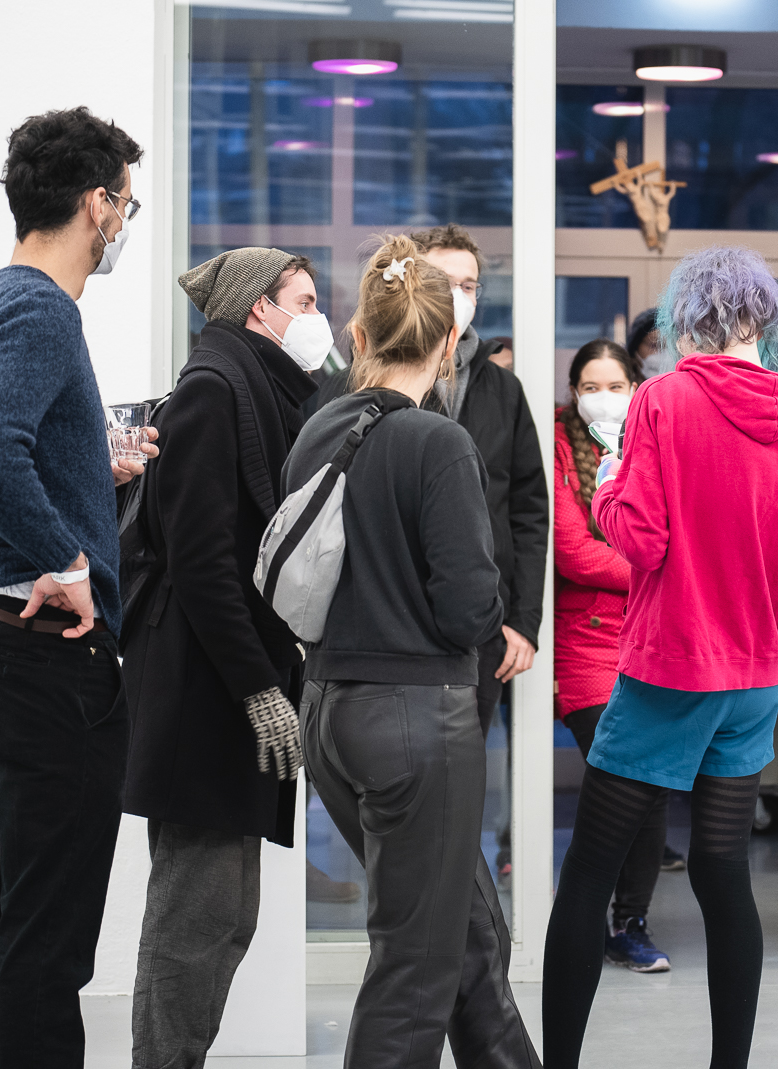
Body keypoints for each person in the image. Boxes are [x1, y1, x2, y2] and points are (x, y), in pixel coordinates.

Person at [543, 245, 778, 1069]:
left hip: (668, 672)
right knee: (721, 869)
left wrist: (609, 483)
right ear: (763, 320)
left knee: (589, 874)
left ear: (689, 319)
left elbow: (640, 539)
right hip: (754, 682)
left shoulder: (664, 401)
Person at [0, 107, 150, 1069]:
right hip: (39, 653)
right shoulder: (45, 311)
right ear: (97, 204)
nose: (124, 222)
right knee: (45, 935)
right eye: (125, 203)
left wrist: (92, 471)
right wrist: (69, 558)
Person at [290, 235, 541, 1069]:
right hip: (415, 719)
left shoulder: (318, 431)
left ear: (360, 335)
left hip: (328, 708)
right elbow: (470, 608)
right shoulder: (439, 441)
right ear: (447, 343)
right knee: (416, 964)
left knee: (465, 934)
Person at [121, 248, 326, 1068]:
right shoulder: (214, 391)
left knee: (227, 913)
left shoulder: (257, 390)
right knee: (196, 916)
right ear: (257, 308)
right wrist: (257, 688)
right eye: (303, 300)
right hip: (202, 692)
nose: (316, 317)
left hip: (224, 684)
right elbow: (202, 561)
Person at [311, 223, 547, 739]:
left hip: (476, 620)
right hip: (379, 626)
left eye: (469, 285)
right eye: (445, 281)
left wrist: (521, 620)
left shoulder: (503, 389)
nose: (457, 296)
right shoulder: (351, 391)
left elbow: (529, 509)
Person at [553, 338, 673, 973]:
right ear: (574, 393)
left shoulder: (656, 441)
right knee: (623, 775)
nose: (603, 399)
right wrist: (658, 568)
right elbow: (573, 552)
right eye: (590, 388)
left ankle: (629, 922)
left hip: (652, 640)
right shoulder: (556, 448)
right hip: (586, 643)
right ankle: (583, 915)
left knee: (651, 783)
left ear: (636, 387)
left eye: (616, 387)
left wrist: (661, 563)